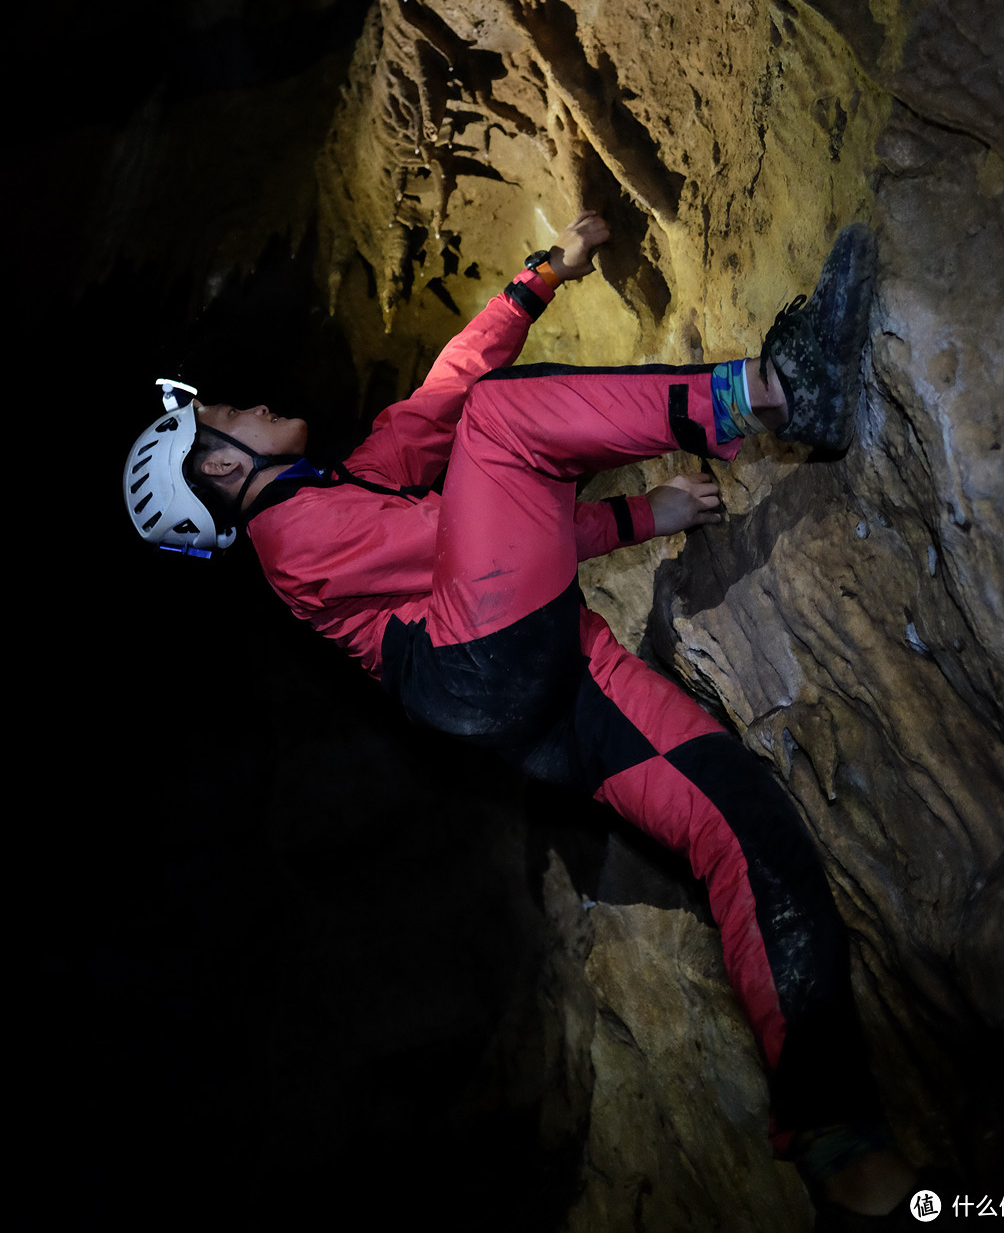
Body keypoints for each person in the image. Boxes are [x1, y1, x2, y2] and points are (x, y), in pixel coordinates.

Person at [123, 212, 918, 1226]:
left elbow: (446, 391)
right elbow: (477, 499)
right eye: (224, 414)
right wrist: (636, 515)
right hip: (481, 670)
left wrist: (546, 273)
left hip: (544, 700)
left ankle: (836, 1135)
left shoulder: (348, 484)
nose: (249, 402)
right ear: (222, 471)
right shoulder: (293, 543)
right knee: (502, 427)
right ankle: (774, 389)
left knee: (742, 822)